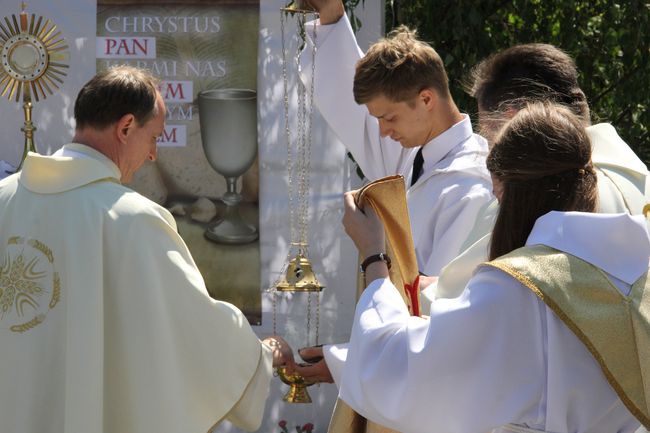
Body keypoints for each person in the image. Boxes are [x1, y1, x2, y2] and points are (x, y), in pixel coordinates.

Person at [0, 66, 294, 433]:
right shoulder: (134, 219)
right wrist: (262, 354)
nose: (153, 154)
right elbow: (193, 325)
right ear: (125, 128)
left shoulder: (4, 200)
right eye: (154, 137)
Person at [337, 102, 650, 433]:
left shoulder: (523, 287)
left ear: (516, 195)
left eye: (498, 196)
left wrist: (374, 256)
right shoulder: (636, 269)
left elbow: (397, 369)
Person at [420, 42, 650, 304]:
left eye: (492, 137)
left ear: (515, 120)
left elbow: (467, 306)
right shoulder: (636, 172)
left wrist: (420, 290)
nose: (491, 154)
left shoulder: (534, 190)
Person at [302, 0, 493, 277]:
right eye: (378, 118)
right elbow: (352, 112)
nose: (382, 131)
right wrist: (331, 14)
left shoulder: (470, 185)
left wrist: (373, 249)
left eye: (389, 118)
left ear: (426, 99)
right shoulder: (413, 151)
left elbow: (441, 298)